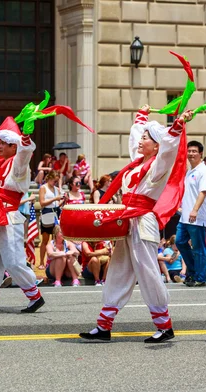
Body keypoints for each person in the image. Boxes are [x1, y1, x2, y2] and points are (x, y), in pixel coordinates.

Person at [79, 105, 191, 343]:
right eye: (141, 136)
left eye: (146, 137)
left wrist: (178, 126)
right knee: (118, 271)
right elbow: (134, 141)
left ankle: (165, 325)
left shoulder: (159, 165)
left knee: (148, 271)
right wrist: (142, 117)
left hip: (143, 221)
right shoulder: (136, 164)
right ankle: (103, 325)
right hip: (127, 221)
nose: (141, 140)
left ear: (157, 145)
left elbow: (169, 150)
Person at [0, 116, 44, 314]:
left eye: (4, 143)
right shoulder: (1, 166)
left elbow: (24, 154)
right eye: (0, 142)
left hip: (9, 217)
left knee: (13, 261)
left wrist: (26, 136)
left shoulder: (19, 165)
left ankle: (34, 295)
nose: (0, 146)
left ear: (15, 147)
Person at [175, 141, 206, 287]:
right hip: (185, 216)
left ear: (200, 153)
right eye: (189, 151)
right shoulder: (190, 171)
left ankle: (200, 277)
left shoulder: (204, 171)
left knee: (199, 248)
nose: (191, 154)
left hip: (197, 217)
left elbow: (203, 192)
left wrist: (195, 209)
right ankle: (192, 270)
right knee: (180, 242)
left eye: (194, 151)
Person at [38, 170, 64, 270]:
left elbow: (57, 204)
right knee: (45, 239)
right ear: (49, 178)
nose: (55, 183)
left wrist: (62, 200)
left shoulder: (56, 189)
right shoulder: (43, 188)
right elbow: (42, 203)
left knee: (56, 239)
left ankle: (53, 261)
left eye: (56, 181)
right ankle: (41, 262)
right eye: (54, 181)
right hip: (46, 213)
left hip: (55, 213)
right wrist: (55, 199)